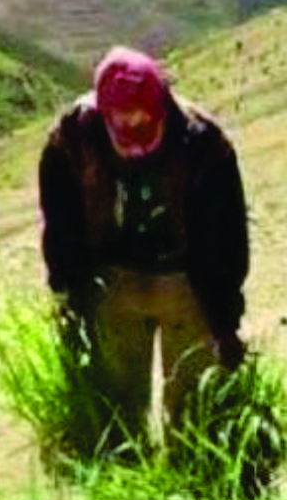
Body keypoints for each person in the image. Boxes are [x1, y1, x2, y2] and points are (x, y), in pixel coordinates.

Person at [38, 46, 250, 439]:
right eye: (122, 121)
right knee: (117, 406)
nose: (134, 129)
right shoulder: (72, 138)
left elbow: (228, 235)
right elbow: (60, 221)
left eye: (144, 120)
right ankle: (126, 477)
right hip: (111, 283)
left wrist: (225, 314)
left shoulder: (202, 142)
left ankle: (189, 478)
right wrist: (67, 292)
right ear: (103, 111)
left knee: (193, 410)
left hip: (187, 283)